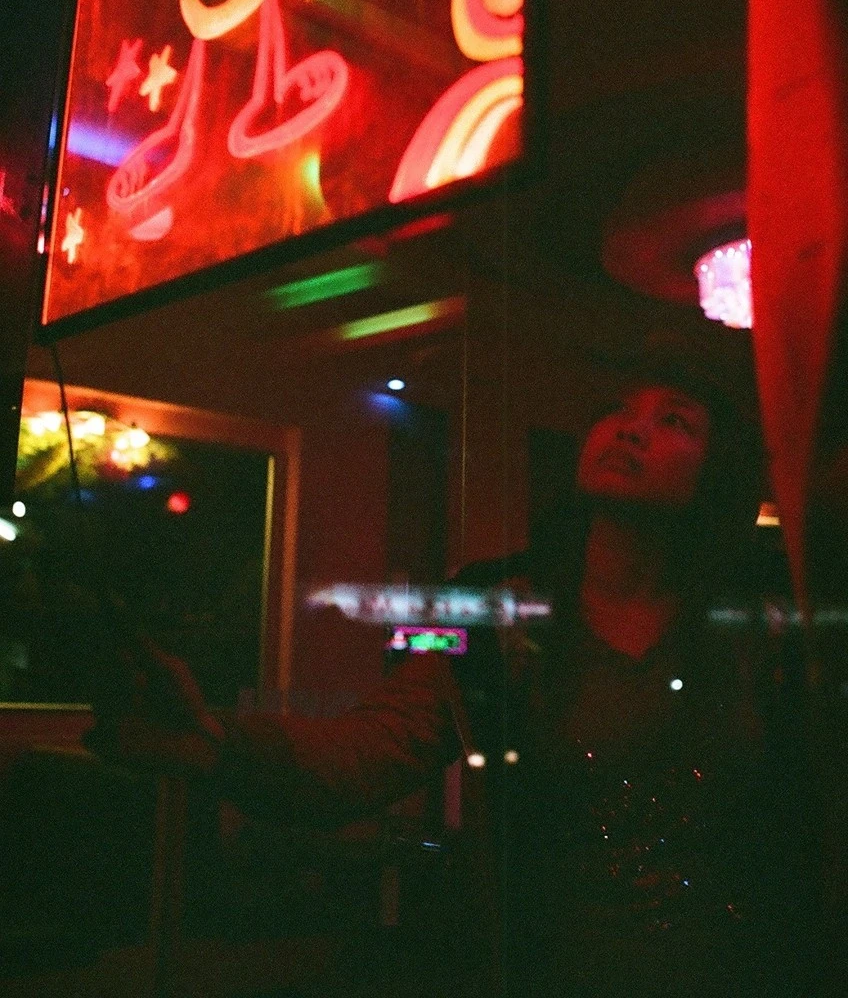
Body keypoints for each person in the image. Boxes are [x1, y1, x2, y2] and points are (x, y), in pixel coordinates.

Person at [97, 346, 825, 996]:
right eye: (618, 411)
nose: (630, 430)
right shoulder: (499, 612)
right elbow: (369, 748)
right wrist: (213, 739)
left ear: (718, 473)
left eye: (674, 421)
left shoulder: (760, 629)